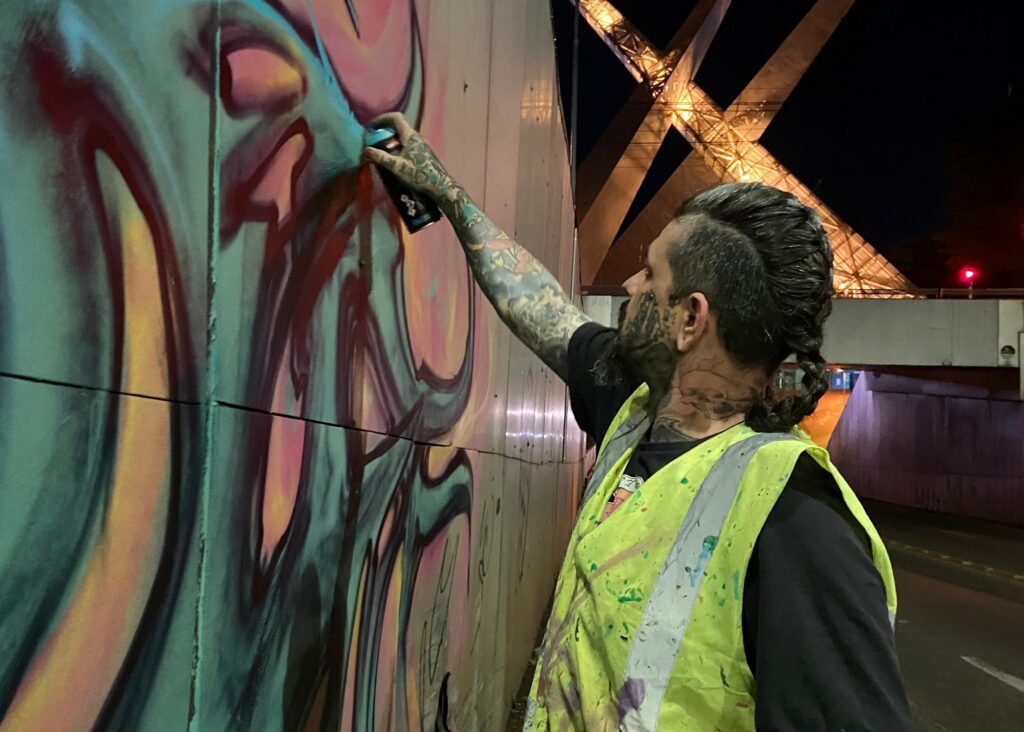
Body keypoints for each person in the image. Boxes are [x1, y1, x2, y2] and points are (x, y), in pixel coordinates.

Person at [364, 112, 911, 731]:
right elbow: (542, 310)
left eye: (650, 272)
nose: (628, 282)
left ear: (689, 320)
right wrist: (451, 200)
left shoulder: (795, 519)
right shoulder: (633, 406)